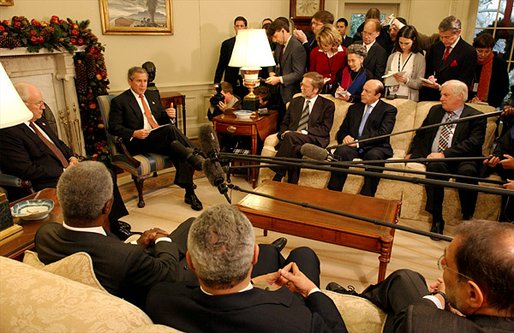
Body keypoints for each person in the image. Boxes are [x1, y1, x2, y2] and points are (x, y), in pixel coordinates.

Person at [146, 204, 348, 333]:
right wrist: (311, 291)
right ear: (253, 255)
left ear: (190, 262)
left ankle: (272, 253)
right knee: (304, 255)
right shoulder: (300, 323)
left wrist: (253, 282)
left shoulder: (160, 298)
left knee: (271, 252)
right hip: (272, 307)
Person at [35, 161, 197, 309]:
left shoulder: (45, 235)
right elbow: (167, 273)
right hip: (143, 298)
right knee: (195, 236)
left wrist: (134, 245)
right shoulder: (126, 257)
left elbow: (105, 252)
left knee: (191, 225)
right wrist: (162, 238)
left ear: (60, 200)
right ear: (107, 206)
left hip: (115, 274)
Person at [327, 220, 514, 332]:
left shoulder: (420, 323)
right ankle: (359, 297)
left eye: (447, 264)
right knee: (404, 278)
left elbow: (413, 318)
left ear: (473, 294)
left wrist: (440, 297)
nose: (442, 265)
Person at [0, 83, 131, 239]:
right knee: (97, 182)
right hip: (47, 181)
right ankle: (104, 230)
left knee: (106, 172)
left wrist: (72, 157)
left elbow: (59, 144)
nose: (43, 107)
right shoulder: (8, 132)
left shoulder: (39, 121)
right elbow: (25, 169)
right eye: (38, 103)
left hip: (68, 169)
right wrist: (63, 171)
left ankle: (112, 221)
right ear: (23, 105)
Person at [108, 66, 203, 211]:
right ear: (130, 81)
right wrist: (134, 133)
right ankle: (199, 155)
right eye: (139, 81)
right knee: (172, 133)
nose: (143, 85)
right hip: (140, 141)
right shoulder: (120, 101)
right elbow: (113, 127)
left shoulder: (152, 95)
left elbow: (160, 118)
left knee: (178, 148)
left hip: (159, 137)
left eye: (145, 81)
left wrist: (168, 114)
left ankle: (190, 194)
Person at [407, 80, 486, 236]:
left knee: (468, 173)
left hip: (463, 159)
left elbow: (474, 143)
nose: (441, 98)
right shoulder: (435, 111)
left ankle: (467, 218)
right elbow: (421, 133)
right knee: (434, 167)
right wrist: (413, 152)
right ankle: (437, 218)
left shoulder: (476, 116)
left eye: (446, 95)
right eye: (441, 94)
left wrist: (444, 154)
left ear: (460, 96)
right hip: (437, 158)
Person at [327, 80, 397, 196]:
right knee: (341, 151)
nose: (362, 93)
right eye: (363, 90)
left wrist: (358, 142)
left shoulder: (388, 110)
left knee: (374, 156)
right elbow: (341, 131)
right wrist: (345, 137)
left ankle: (366, 197)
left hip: (376, 146)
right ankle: (333, 193)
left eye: (367, 92)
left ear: (378, 95)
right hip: (353, 146)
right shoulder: (354, 108)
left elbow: (383, 133)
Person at [271, 72, 335, 184]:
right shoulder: (295, 101)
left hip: (315, 137)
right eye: (301, 84)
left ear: (315, 90)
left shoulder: (328, 105)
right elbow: (285, 123)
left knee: (292, 137)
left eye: (305, 86)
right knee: (295, 148)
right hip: (292, 138)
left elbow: (324, 129)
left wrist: (303, 132)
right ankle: (292, 184)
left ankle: (278, 173)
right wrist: (283, 133)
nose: (301, 88)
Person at [421, 16, 477, 101]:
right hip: (431, 96)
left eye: (447, 37)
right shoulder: (435, 47)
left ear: (458, 32)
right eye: (441, 37)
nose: (443, 40)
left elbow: (464, 83)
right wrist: (430, 79)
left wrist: (440, 87)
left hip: (452, 98)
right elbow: (429, 70)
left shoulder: (469, 52)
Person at [266, 17, 307, 120]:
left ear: (283, 30)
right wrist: (271, 72)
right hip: (278, 92)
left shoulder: (297, 47)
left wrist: (279, 79)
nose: (274, 40)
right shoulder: (279, 45)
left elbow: (298, 73)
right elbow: (272, 60)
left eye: (275, 36)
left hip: (291, 92)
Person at [384, 25, 426, 101]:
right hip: (391, 97)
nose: (403, 46)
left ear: (414, 40)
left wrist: (407, 80)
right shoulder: (392, 56)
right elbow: (385, 77)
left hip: (408, 99)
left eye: (407, 43)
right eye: (401, 42)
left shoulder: (419, 58)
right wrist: (390, 78)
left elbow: (419, 84)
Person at [469, 33, 509, 108]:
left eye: (487, 51)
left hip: (490, 105)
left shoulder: (499, 63)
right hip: (469, 102)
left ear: (491, 50)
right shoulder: (470, 61)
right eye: (480, 51)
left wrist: (490, 103)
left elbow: (504, 88)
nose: (483, 55)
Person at [214, 16, 248, 98]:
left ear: (246, 27)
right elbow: (221, 65)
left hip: (247, 81)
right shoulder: (227, 44)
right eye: (237, 26)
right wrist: (216, 83)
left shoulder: (251, 43)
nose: (239, 28)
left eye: (241, 26)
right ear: (234, 27)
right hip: (231, 81)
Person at [309, 24, 346, 94]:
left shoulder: (344, 53)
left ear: (334, 42)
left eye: (326, 45)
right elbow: (311, 74)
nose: (323, 47)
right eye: (321, 44)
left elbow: (346, 74)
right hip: (320, 90)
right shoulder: (315, 52)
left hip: (338, 91)